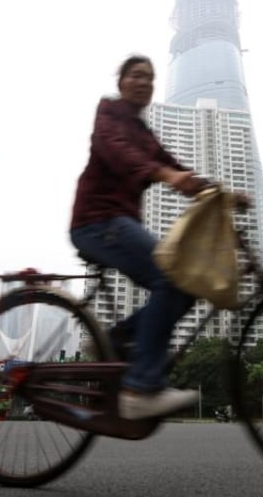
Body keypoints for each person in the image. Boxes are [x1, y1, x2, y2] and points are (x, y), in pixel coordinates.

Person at [70, 55, 207, 420]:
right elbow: (117, 151)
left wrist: (218, 190)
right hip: (96, 222)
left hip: (118, 223)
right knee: (170, 278)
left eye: (150, 77)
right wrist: (163, 174)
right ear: (121, 82)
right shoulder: (109, 115)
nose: (144, 82)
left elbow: (176, 167)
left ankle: (115, 340)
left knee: (186, 286)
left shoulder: (145, 135)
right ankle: (141, 388)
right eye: (136, 75)